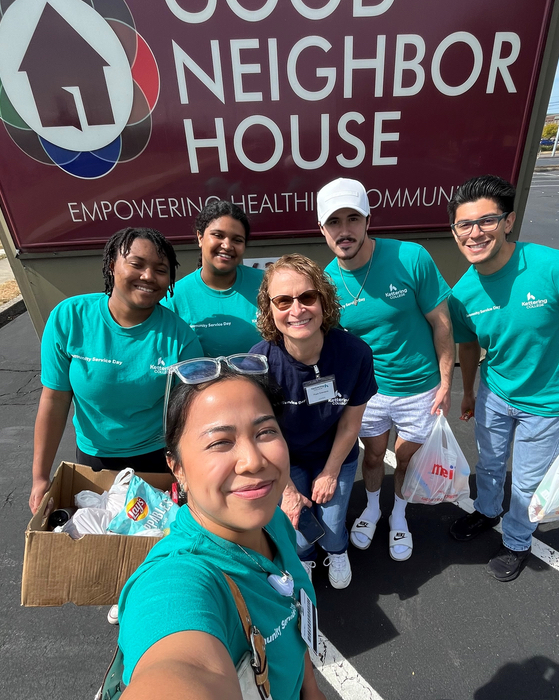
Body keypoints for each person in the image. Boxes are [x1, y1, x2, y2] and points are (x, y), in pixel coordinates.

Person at [98, 358, 331, 700]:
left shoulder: (266, 516)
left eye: (265, 431)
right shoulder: (181, 580)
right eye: (219, 442)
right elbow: (179, 676)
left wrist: (311, 688)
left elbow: (292, 611)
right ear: (176, 469)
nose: (253, 461)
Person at [446, 175, 559, 582]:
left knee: (528, 481)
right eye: (465, 225)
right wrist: (468, 392)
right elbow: (468, 348)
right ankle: (486, 511)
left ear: (508, 221)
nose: (475, 232)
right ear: (455, 232)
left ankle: (517, 540)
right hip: (495, 393)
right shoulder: (462, 293)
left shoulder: (556, 268)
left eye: (486, 221)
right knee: (490, 465)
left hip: (547, 402)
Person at [317, 178, 455, 562]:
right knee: (375, 456)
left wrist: (447, 382)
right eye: (334, 222)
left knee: (406, 457)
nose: (344, 230)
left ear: (367, 220)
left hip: (420, 388)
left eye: (353, 219)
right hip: (369, 393)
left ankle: (399, 515)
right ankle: (373, 508)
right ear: (323, 230)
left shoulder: (410, 257)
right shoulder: (326, 283)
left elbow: (441, 322)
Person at [29, 227, 202, 513]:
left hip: (157, 460)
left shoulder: (180, 338)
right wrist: (39, 477)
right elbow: (55, 400)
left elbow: (189, 415)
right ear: (112, 265)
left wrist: (190, 474)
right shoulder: (69, 318)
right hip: (93, 460)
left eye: (160, 269)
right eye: (137, 264)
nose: (148, 276)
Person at [251, 254, 377, 589]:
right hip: (284, 458)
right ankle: (303, 562)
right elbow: (259, 436)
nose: (297, 310)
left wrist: (331, 472)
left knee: (333, 526)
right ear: (269, 309)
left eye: (307, 297)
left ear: (323, 301)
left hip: (334, 452)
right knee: (300, 531)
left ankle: (337, 551)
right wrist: (288, 490)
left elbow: (351, 424)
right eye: (283, 301)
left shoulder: (355, 354)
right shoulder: (260, 362)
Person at [164, 200, 263, 355]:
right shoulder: (174, 298)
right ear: (200, 237)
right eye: (218, 235)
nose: (227, 245)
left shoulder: (267, 284)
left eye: (237, 240)